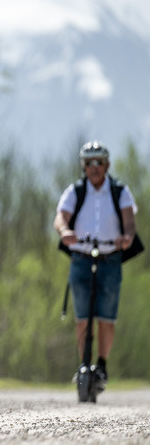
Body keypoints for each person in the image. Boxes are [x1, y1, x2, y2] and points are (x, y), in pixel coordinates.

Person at [54, 140, 139, 395]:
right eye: (89, 163)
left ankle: (101, 366)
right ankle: (83, 363)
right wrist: (64, 231)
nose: (94, 167)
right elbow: (61, 217)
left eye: (98, 162)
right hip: (81, 258)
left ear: (107, 165)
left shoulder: (120, 191)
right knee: (82, 317)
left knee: (106, 317)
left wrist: (127, 237)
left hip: (110, 259)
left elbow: (129, 221)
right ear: (83, 166)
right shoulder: (75, 191)